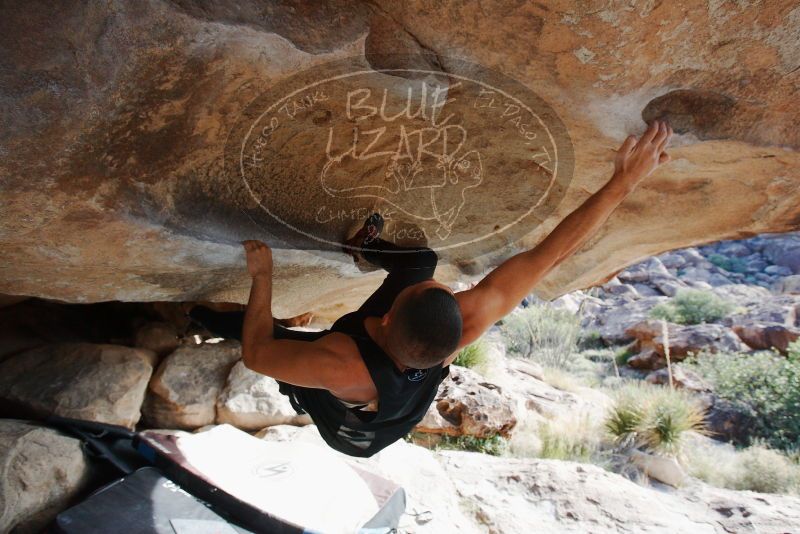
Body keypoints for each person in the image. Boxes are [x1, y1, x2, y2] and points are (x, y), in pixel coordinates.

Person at [190, 120, 674, 458]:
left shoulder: (336, 362)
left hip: (355, 420)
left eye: (419, 293)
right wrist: (621, 184)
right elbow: (545, 258)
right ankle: (363, 247)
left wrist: (263, 276)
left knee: (261, 333)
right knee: (421, 261)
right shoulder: (459, 330)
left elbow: (256, 354)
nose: (434, 288)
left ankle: (198, 318)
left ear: (383, 319)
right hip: (395, 375)